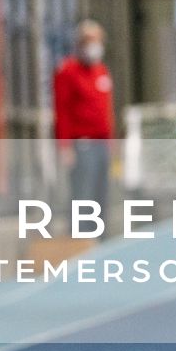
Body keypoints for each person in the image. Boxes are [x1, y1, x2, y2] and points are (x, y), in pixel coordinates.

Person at [53, 19, 116, 226]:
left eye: (98, 41)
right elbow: (62, 111)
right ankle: (81, 241)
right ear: (80, 44)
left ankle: (101, 242)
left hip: (102, 145)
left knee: (102, 197)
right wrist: (65, 146)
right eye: (90, 41)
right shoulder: (68, 71)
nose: (95, 46)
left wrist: (111, 142)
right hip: (83, 145)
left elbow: (107, 110)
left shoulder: (102, 71)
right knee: (83, 198)